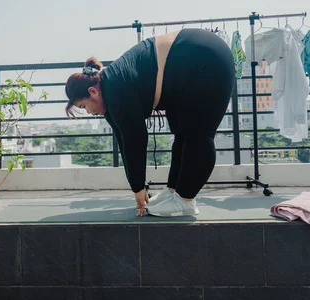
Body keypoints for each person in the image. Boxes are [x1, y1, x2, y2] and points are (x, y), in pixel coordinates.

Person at [65, 28, 235, 217]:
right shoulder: (110, 85)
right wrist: (138, 186)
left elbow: (135, 140)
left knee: (198, 136)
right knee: (182, 135)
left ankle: (186, 200)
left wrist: (138, 188)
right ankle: (174, 191)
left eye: (84, 106)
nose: (89, 112)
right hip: (189, 62)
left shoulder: (116, 89)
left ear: (93, 92)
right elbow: (123, 139)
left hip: (206, 60)